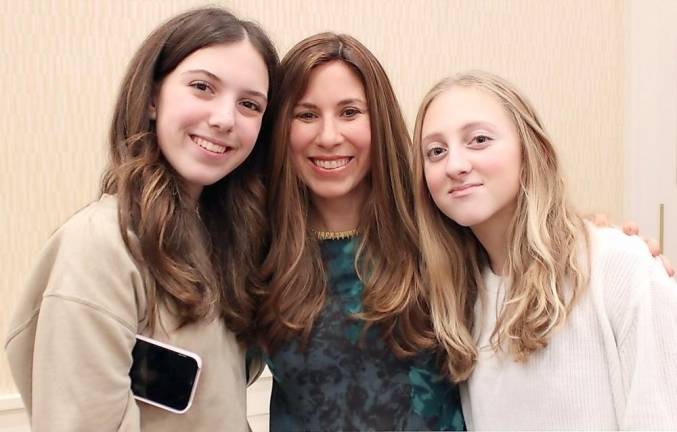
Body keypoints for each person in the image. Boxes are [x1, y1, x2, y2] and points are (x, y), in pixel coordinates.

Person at [5, 7, 278, 431]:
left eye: (249, 104)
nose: (225, 119)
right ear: (152, 98)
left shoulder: (225, 245)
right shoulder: (99, 248)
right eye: (203, 87)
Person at [412, 70, 677, 430]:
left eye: (478, 140)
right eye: (436, 151)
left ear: (531, 150)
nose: (455, 165)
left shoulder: (619, 265)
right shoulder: (459, 302)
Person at [255, 33, 465, 431]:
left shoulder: (440, 230)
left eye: (350, 112)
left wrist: (594, 238)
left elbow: (522, 250)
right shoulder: (256, 249)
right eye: (306, 114)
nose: (330, 136)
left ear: (379, 119)